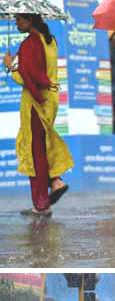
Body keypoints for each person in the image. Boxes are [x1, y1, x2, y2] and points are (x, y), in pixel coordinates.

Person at [3, 13, 71, 217]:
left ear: (29, 20)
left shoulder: (30, 42)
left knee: (35, 151)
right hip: (50, 100)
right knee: (42, 145)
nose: (16, 23)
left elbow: (30, 77)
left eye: (19, 19)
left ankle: (41, 204)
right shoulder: (49, 40)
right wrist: (18, 63)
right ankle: (55, 181)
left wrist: (11, 66)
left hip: (37, 102)